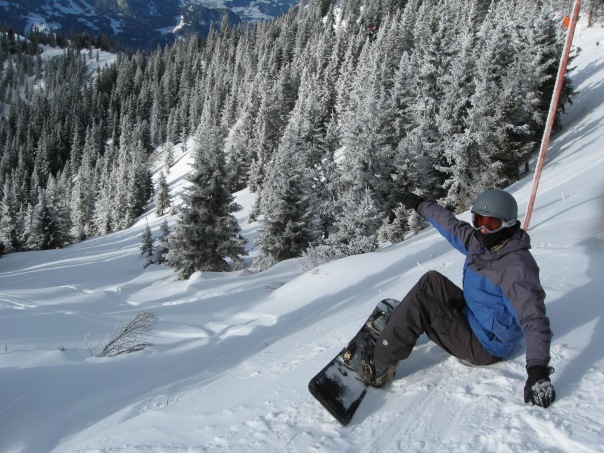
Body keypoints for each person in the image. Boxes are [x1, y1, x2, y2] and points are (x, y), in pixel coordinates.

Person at [364, 188, 555, 408]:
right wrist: (420, 205)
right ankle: (399, 325)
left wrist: (538, 370)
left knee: (421, 305)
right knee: (431, 280)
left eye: (491, 224)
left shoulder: (516, 268)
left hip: (486, 345)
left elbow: (534, 319)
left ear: (508, 224)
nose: (483, 229)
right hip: (475, 316)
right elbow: (450, 225)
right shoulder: (481, 245)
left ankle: (380, 364)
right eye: (478, 221)